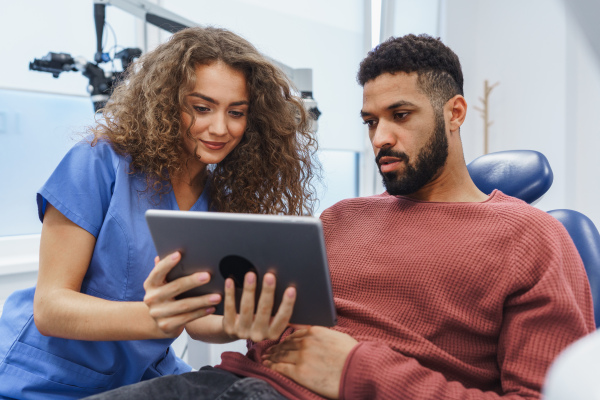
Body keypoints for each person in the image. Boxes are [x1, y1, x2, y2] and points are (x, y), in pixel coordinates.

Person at [84, 34, 594, 400]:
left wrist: (357, 370)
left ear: (455, 113)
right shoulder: (342, 218)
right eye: (370, 121)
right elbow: (265, 330)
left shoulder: (531, 237)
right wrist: (239, 319)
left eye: (400, 115)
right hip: (228, 382)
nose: (379, 139)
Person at [0, 26, 318, 400]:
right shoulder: (98, 163)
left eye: (236, 112)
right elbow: (50, 308)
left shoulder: (224, 199)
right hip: (43, 378)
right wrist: (155, 318)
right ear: (168, 103)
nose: (220, 128)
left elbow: (200, 324)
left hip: (138, 378)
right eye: (201, 108)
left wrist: (245, 323)